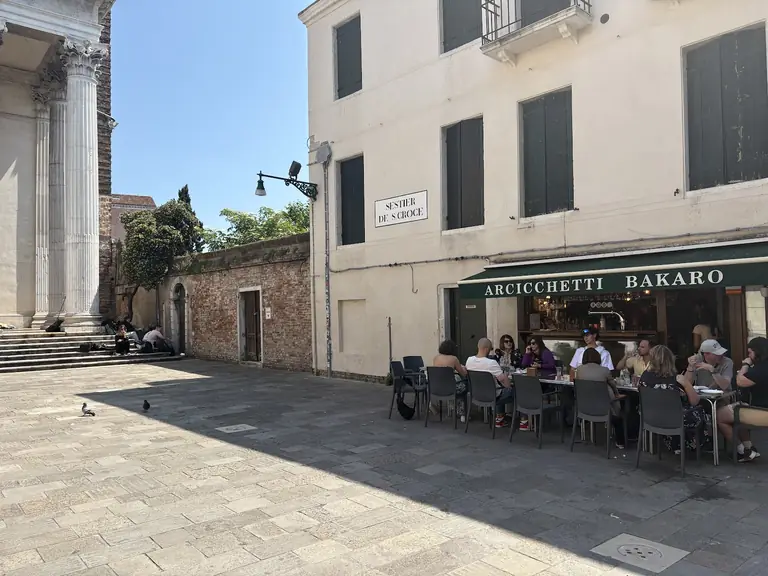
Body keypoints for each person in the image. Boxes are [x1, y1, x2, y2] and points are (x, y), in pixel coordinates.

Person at [639, 344, 708, 453]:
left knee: (673, 411)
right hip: (674, 420)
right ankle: (694, 445)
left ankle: (676, 445)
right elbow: (695, 401)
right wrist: (686, 384)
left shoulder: (644, 377)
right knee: (699, 411)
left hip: (650, 418)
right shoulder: (677, 379)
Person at [716, 337, 768, 462]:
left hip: (762, 412)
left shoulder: (761, 369)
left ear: (757, 352)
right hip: (760, 409)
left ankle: (742, 450)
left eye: (750, 352)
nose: (749, 355)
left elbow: (740, 381)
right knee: (739, 408)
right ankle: (749, 449)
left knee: (719, 416)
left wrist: (745, 365)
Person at [576, 348, 625, 448]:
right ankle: (620, 442)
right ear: (598, 357)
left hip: (584, 409)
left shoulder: (579, 370)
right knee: (619, 416)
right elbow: (613, 385)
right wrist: (616, 395)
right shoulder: (604, 370)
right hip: (603, 410)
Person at [466, 338, 514, 428]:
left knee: (499, 389)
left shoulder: (469, 360)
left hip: (476, 395)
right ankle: (524, 421)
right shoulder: (491, 363)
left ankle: (500, 418)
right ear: (486, 349)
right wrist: (510, 387)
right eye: (491, 349)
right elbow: (503, 381)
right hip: (492, 396)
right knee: (516, 391)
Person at [433, 340, 469, 422]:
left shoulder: (436, 358)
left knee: (454, 386)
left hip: (437, 387)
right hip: (451, 387)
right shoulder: (454, 359)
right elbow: (463, 374)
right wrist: (463, 368)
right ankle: (462, 413)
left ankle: (452, 407)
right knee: (463, 387)